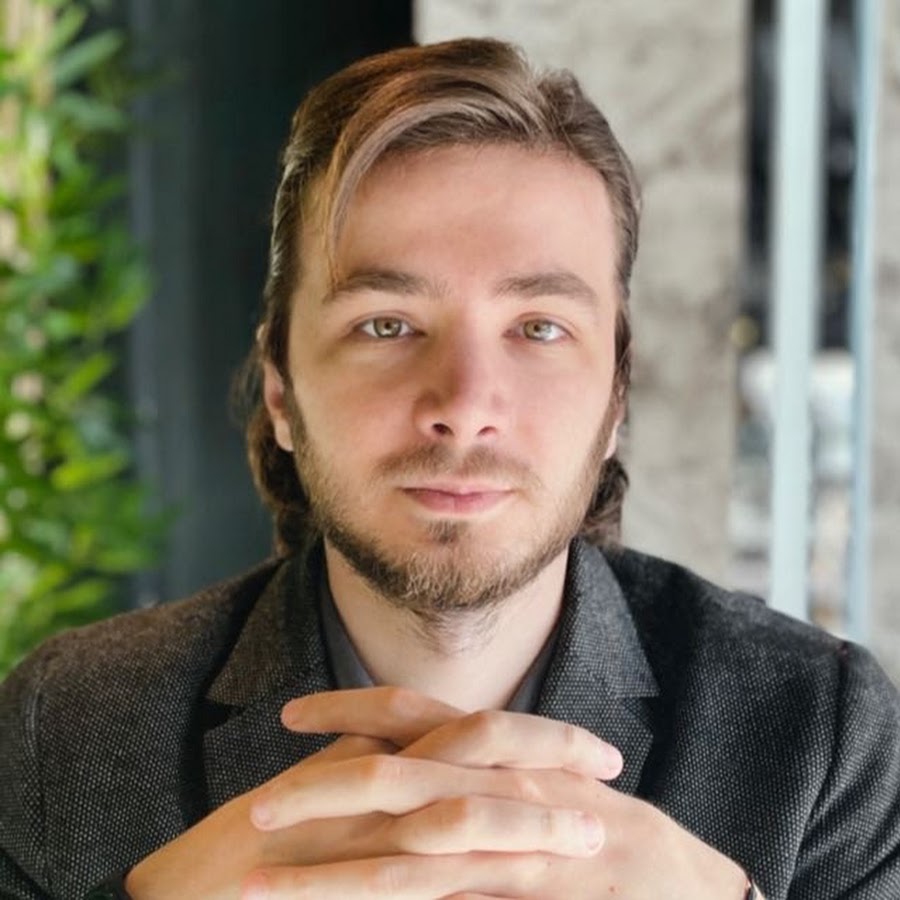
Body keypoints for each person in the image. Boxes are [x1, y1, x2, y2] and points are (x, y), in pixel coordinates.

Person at [1, 36, 898, 900]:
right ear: (280, 389)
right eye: (386, 325)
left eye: (539, 328)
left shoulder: (822, 735)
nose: (465, 404)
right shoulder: (66, 730)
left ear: (616, 396)